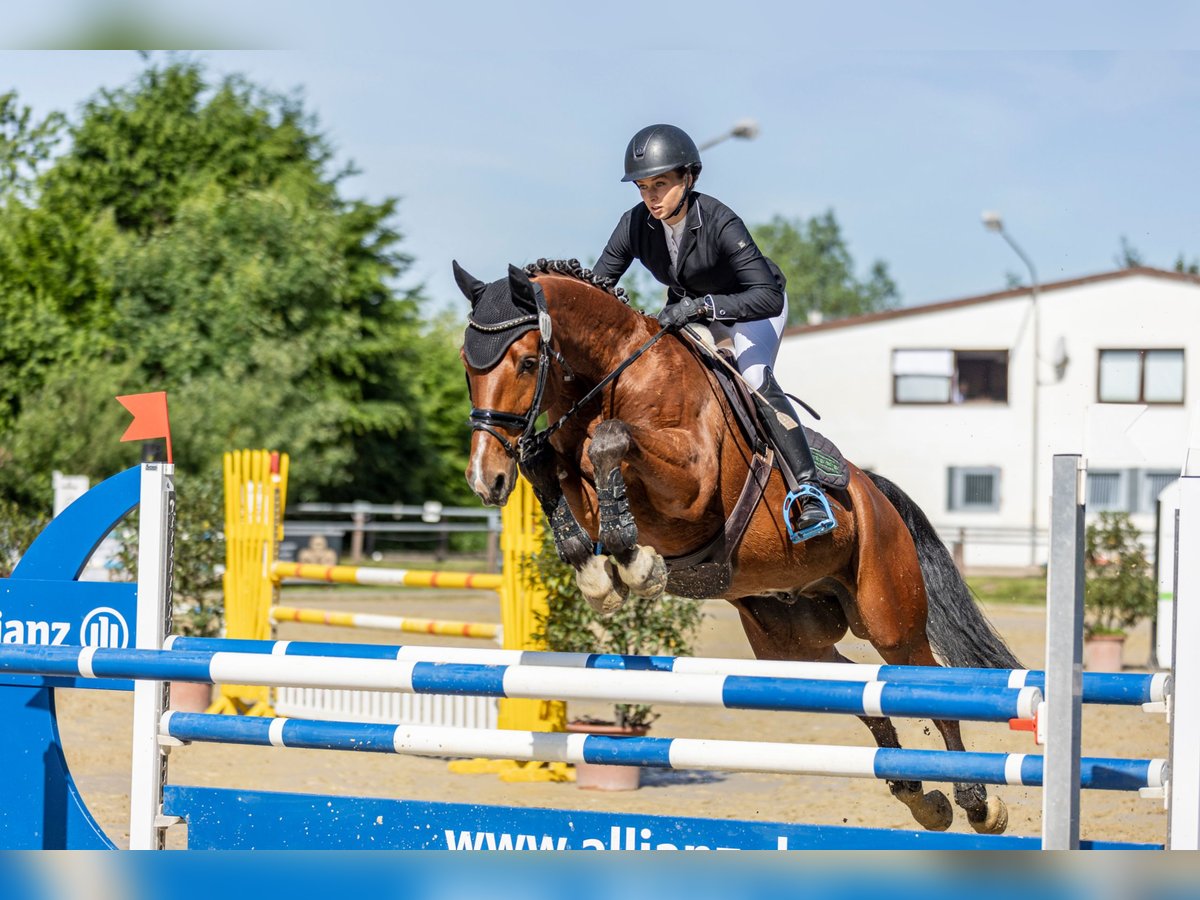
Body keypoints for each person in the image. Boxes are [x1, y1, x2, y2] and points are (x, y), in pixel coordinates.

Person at [592, 123, 834, 541]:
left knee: (754, 375)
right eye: (643, 187)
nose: (651, 197)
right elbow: (598, 286)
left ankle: (807, 490)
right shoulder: (634, 225)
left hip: (751, 306)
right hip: (693, 310)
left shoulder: (721, 221)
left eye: (661, 184)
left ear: (689, 178)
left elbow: (766, 296)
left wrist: (704, 307)